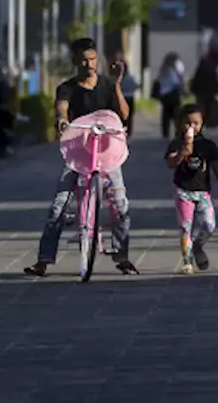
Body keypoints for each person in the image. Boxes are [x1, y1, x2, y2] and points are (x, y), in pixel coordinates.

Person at [24, 37, 137, 277]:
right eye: (84, 60)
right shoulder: (67, 88)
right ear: (75, 61)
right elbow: (61, 107)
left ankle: (122, 256)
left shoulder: (107, 84)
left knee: (120, 205)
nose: (89, 65)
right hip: (78, 153)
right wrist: (62, 120)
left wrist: (117, 85)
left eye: (93, 59)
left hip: (106, 152)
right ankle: (44, 259)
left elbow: (124, 115)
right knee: (58, 206)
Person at [165, 103, 218, 274]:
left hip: (203, 192)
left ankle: (198, 246)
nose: (192, 127)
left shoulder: (208, 145)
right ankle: (187, 261)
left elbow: (217, 167)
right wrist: (182, 153)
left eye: (196, 123)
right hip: (183, 191)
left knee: (209, 225)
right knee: (185, 227)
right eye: (187, 123)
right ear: (180, 123)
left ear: (202, 124)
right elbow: (170, 163)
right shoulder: (176, 143)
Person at [155, 52, 186, 139]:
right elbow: (176, 83)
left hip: (164, 95)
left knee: (165, 114)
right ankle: (178, 131)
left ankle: (165, 132)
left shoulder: (162, 71)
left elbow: (160, 82)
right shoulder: (172, 72)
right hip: (173, 94)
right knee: (177, 114)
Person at [111, 48, 139, 135]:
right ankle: (127, 133)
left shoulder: (118, 78)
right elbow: (135, 86)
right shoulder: (129, 77)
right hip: (128, 97)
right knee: (128, 118)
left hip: (123, 97)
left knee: (123, 117)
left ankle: (124, 132)